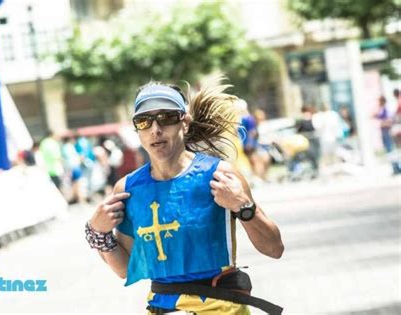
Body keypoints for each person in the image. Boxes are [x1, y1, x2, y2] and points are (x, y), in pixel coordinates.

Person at [85, 80, 284, 314]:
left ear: (185, 123)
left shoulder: (219, 175)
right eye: (144, 121)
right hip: (163, 308)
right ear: (137, 130)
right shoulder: (128, 189)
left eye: (167, 117)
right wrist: (97, 233)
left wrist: (244, 207)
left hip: (222, 307)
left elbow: (274, 249)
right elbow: (125, 269)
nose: (155, 129)